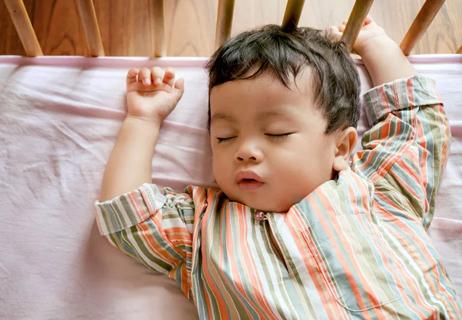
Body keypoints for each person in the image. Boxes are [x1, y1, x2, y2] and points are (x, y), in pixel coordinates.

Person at [95, 17, 462, 319]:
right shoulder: (205, 228)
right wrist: (143, 121)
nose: (245, 150)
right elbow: (130, 216)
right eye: (224, 137)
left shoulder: (377, 187)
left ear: (342, 146)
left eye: (277, 132)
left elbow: (415, 121)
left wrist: (372, 42)